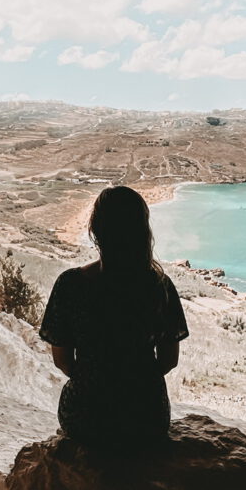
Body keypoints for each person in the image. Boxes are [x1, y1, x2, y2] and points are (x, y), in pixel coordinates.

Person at [39, 185, 189, 450]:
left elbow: (62, 360)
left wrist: (95, 377)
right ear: (143, 231)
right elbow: (169, 360)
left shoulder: (70, 284)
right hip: (146, 417)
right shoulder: (158, 286)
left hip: (86, 416)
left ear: (96, 231)